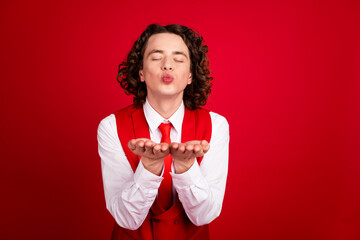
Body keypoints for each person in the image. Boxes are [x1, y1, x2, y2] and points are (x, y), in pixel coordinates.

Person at [97, 24, 229, 240]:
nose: (167, 66)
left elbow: (204, 215)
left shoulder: (216, 125)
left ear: (189, 75)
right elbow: (126, 219)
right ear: (141, 72)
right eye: (156, 57)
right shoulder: (110, 126)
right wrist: (148, 168)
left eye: (178, 59)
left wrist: (187, 168)